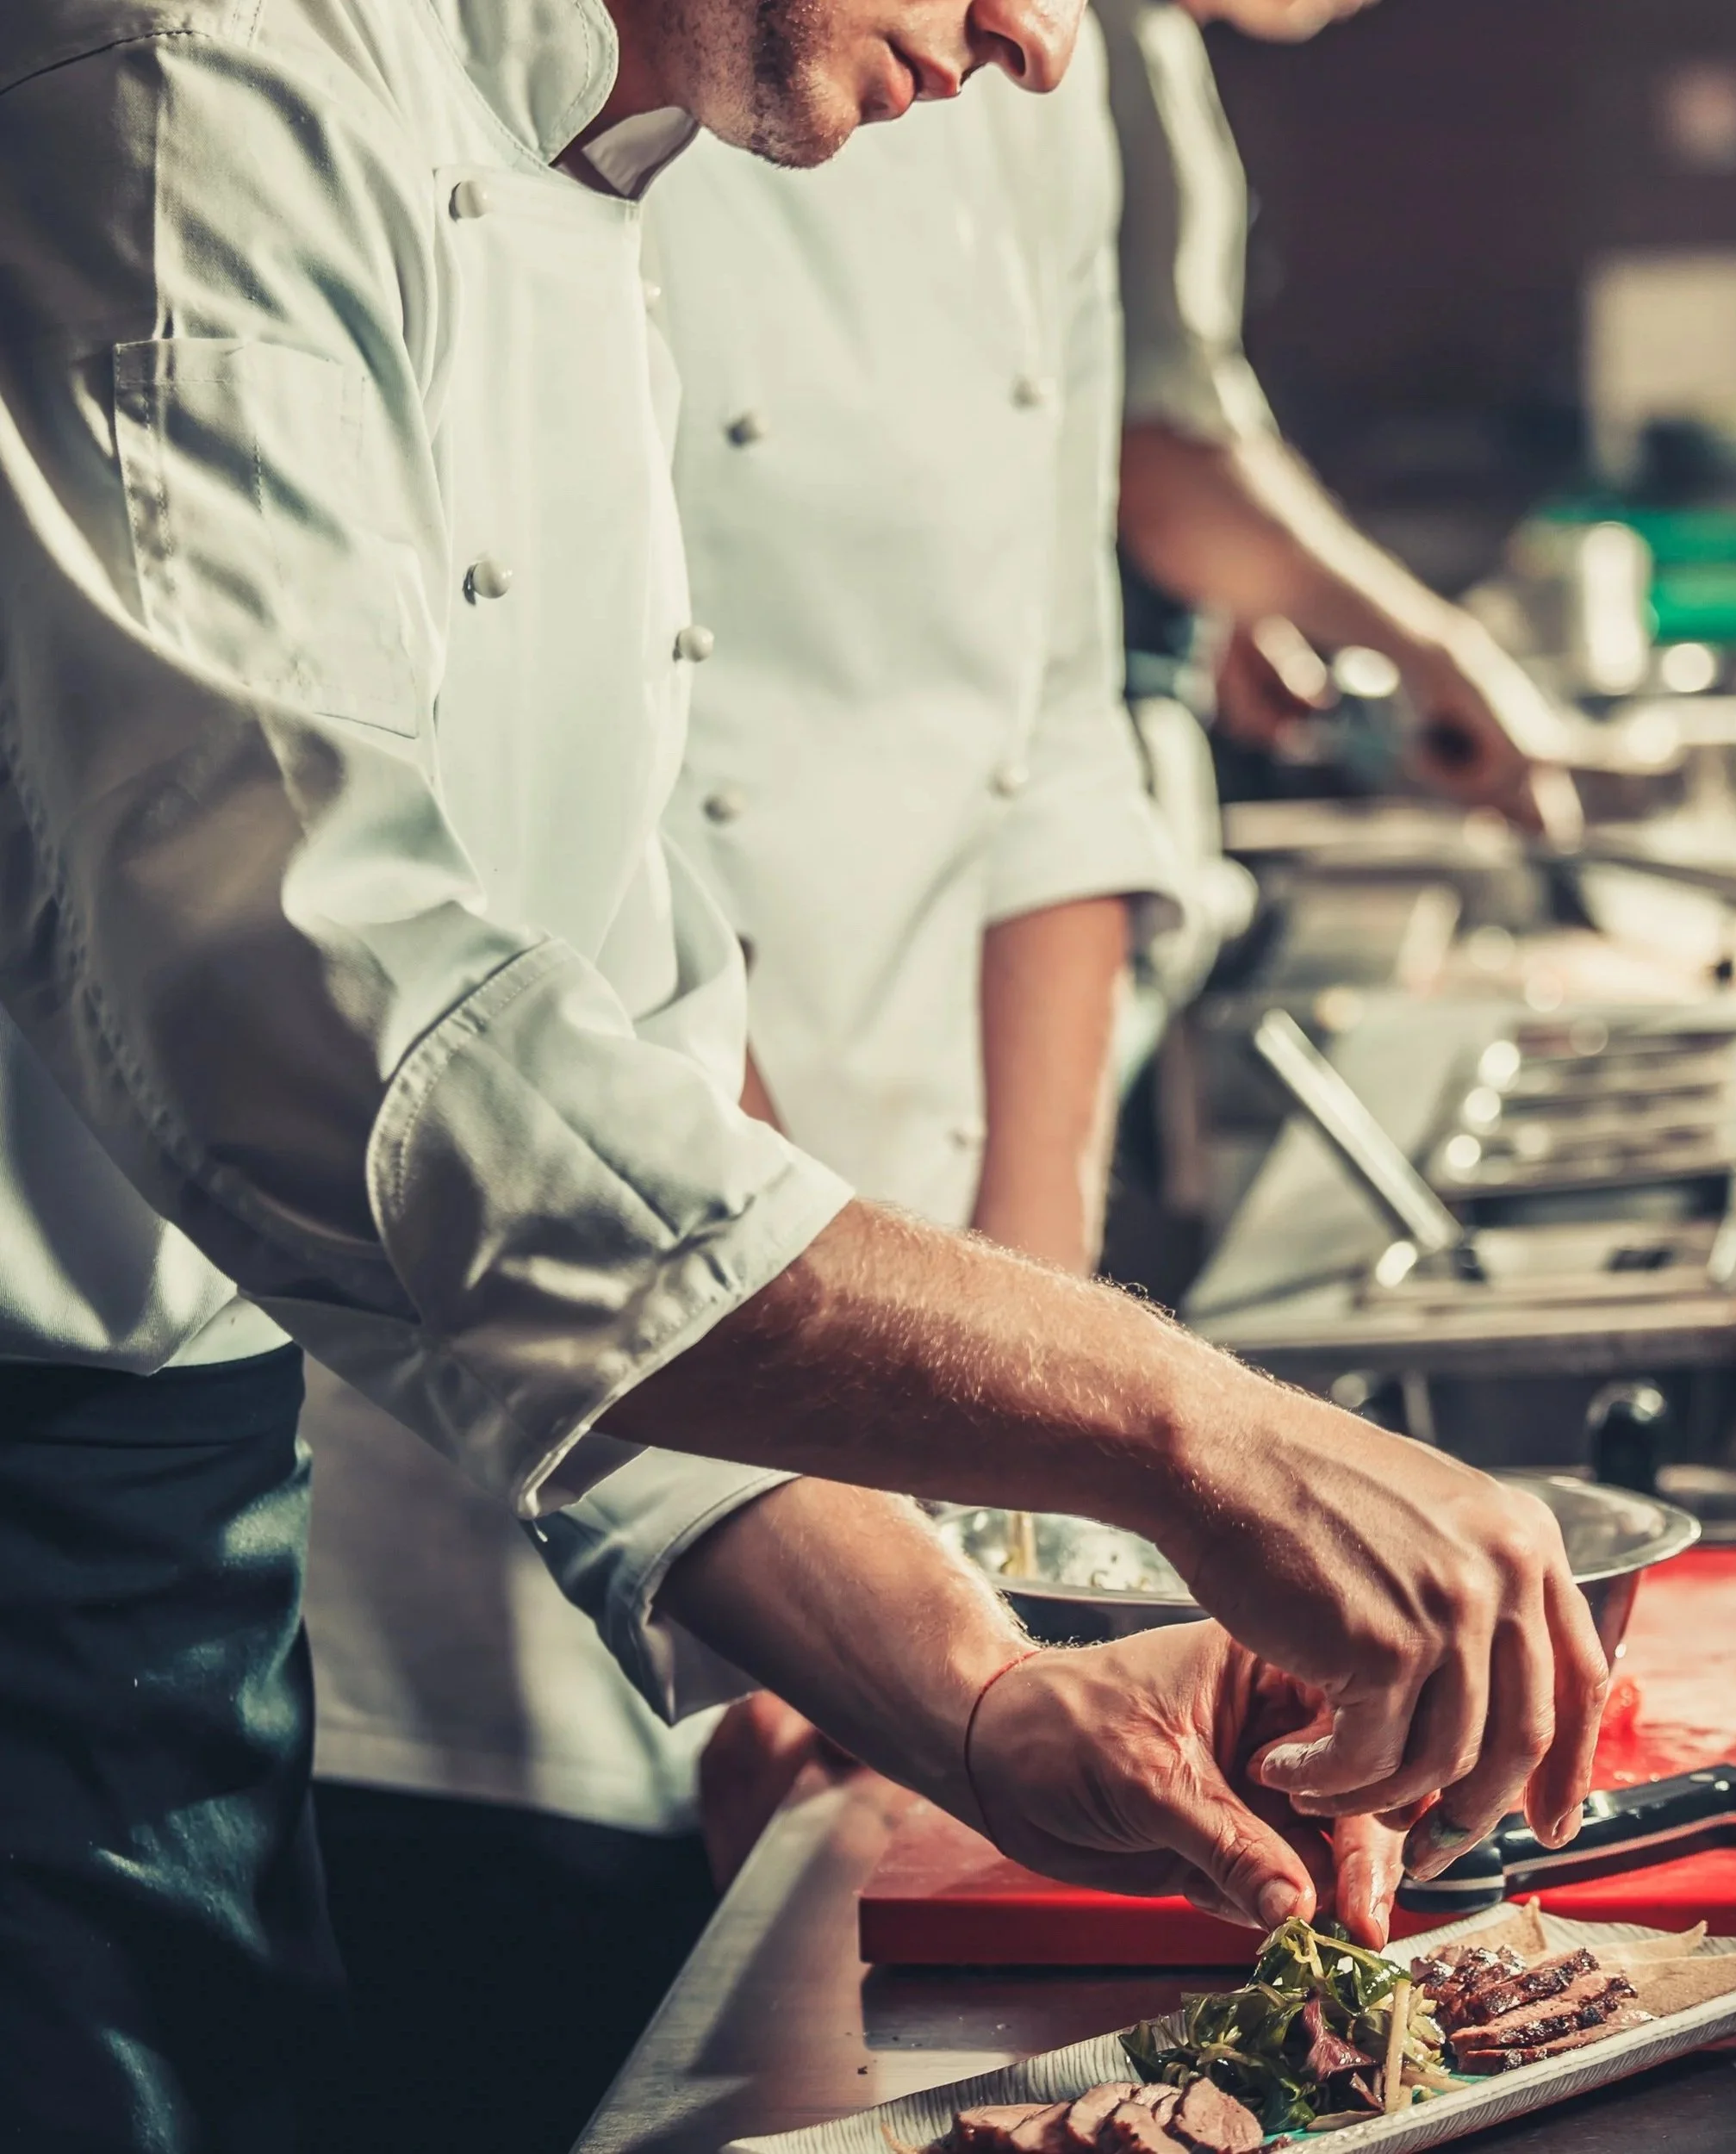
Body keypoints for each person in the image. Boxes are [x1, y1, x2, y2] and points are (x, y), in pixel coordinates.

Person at [0, 0, 1607, 2147]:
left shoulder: (588, 180)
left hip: (176, 1529)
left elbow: (619, 1057)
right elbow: (351, 1045)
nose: (1049, 44)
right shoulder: (192, 88)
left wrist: (983, 1695)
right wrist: (1180, 1430)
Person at [301, 27, 1185, 2147]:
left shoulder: (936, 107)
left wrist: (1000, 1486)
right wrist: (1053, 1436)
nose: (1033, 35)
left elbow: (1043, 746)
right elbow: (454, 988)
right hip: (451, 1456)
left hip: (834, 1355)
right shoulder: (402, 101)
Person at [1093, 0, 1579, 834]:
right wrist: (1442, 655)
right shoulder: (1106, 37)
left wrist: (1232, 592)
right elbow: (1165, 464)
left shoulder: (1156, 42)